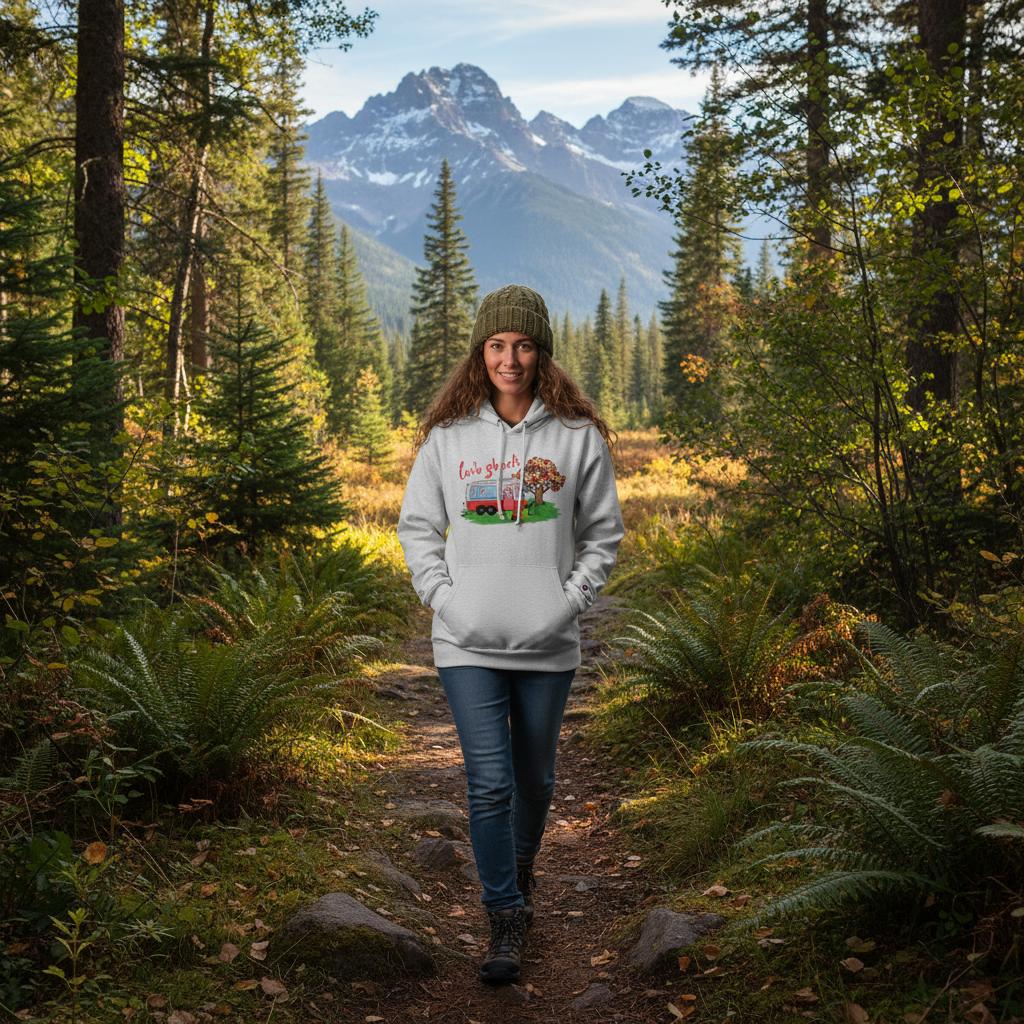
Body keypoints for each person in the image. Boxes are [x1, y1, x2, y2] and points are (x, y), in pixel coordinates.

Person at [396, 284, 624, 985]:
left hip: (548, 643)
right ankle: (505, 917)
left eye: (523, 344)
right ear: (480, 353)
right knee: (489, 783)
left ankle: (520, 872)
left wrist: (569, 602)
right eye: (497, 345)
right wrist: (445, 601)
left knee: (535, 778)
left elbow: (603, 536)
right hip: (466, 642)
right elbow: (416, 531)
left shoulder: (577, 437)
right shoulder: (449, 439)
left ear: (542, 353)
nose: (510, 357)